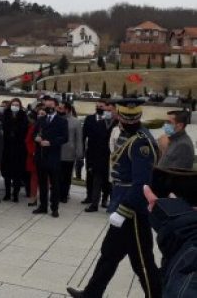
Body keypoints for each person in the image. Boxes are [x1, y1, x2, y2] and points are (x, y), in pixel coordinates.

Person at [66, 98, 162, 298]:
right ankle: (91, 294)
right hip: (122, 204)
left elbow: (142, 184)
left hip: (133, 211)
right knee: (109, 254)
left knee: (142, 262)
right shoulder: (131, 136)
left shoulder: (140, 142)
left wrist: (123, 210)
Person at [32, 96, 68, 218]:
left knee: (55, 184)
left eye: (51, 106)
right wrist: (36, 138)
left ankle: (54, 208)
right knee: (42, 183)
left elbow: (64, 138)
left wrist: (51, 142)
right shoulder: (41, 119)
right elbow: (34, 133)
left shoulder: (62, 121)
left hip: (53, 157)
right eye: (46, 106)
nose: (48, 108)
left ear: (56, 107)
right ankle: (43, 206)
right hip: (41, 156)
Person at [82, 101, 115, 212]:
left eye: (109, 110)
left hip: (112, 157)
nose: (107, 112)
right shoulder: (99, 122)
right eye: (106, 110)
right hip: (98, 156)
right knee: (96, 179)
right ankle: (94, 203)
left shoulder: (119, 123)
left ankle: (107, 200)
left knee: (109, 182)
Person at [2, 98, 29, 202]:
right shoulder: (6, 114)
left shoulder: (23, 116)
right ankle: (7, 193)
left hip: (19, 149)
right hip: (7, 148)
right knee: (7, 173)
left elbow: (24, 130)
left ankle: (15, 194)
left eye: (17, 105)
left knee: (17, 173)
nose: (15, 106)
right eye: (13, 104)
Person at [58, 101, 83, 203]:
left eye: (61, 108)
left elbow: (79, 139)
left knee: (67, 176)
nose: (58, 110)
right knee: (57, 175)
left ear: (67, 109)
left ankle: (64, 195)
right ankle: (57, 193)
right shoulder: (56, 119)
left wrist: (79, 152)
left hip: (69, 153)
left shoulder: (75, 122)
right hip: (57, 152)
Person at [25, 110, 40, 207]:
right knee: (34, 177)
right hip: (33, 155)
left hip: (44, 155)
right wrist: (32, 151)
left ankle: (39, 197)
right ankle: (33, 196)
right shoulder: (32, 127)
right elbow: (27, 140)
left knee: (44, 178)